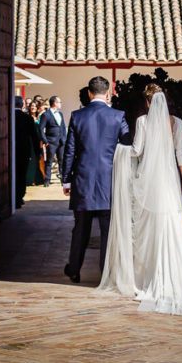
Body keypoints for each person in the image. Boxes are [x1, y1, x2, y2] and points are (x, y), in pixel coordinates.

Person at [96, 84, 182, 315]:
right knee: (168, 226)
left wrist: (118, 150)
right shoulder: (177, 123)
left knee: (146, 231)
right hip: (169, 182)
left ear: (148, 103)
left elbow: (137, 151)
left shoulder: (143, 122)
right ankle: (169, 275)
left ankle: (147, 277)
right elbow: (181, 154)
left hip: (148, 183)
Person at [61, 77, 130, 283]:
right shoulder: (119, 116)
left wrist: (66, 180)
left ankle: (74, 268)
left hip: (83, 180)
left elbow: (69, 150)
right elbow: (127, 145)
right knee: (108, 231)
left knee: (80, 228)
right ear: (107, 93)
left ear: (90, 93)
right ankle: (106, 273)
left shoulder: (77, 116)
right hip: (110, 181)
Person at [13, 95, 42, 209]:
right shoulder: (27, 118)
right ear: (22, 105)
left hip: (8, 151)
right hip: (23, 151)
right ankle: (19, 198)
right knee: (21, 175)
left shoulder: (7, 117)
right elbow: (35, 138)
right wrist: (37, 151)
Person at [38, 96, 67, 186]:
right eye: (59, 102)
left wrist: (65, 139)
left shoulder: (60, 114)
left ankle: (63, 179)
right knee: (49, 162)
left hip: (61, 141)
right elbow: (41, 128)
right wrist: (45, 141)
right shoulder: (46, 114)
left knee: (62, 161)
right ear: (54, 103)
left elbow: (62, 127)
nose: (60, 104)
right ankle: (47, 180)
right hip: (51, 141)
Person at [26, 100, 44, 186]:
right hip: (29, 140)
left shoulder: (40, 118)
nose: (33, 107)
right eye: (31, 106)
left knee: (38, 160)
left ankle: (37, 179)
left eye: (34, 106)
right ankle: (29, 179)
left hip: (38, 141)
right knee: (31, 161)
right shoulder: (26, 117)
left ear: (37, 108)